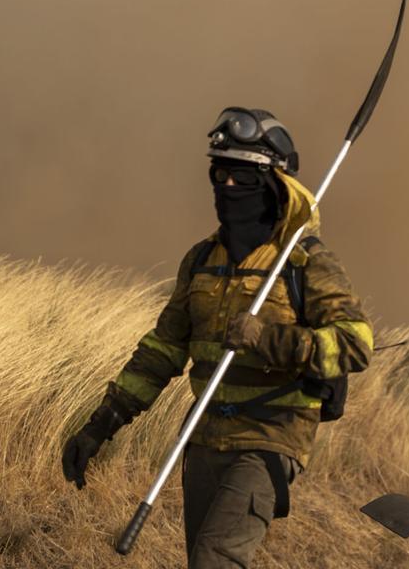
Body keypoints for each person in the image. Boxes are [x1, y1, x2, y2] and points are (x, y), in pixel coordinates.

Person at [62, 107, 374, 568]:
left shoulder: (303, 261)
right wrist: (100, 426)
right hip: (205, 438)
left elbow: (354, 343)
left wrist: (267, 339)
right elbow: (161, 352)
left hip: (271, 437)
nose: (228, 187)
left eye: (242, 176)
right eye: (220, 173)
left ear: (272, 185)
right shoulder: (202, 260)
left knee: (216, 560)